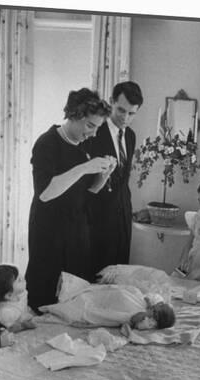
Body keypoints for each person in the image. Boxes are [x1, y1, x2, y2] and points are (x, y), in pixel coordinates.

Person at [25, 88, 116, 313]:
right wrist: (84, 167)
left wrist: (103, 175)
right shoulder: (46, 143)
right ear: (74, 115)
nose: (93, 134)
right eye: (90, 126)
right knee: (45, 298)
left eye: (97, 128)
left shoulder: (84, 145)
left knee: (73, 298)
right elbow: (45, 193)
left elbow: (90, 191)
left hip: (77, 230)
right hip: (49, 232)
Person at [84, 81, 143, 276]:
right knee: (96, 275)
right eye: (121, 110)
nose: (125, 118)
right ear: (111, 103)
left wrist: (128, 212)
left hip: (122, 215)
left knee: (118, 274)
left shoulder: (131, 136)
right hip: (97, 216)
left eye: (132, 113)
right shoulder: (93, 132)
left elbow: (123, 178)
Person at [38, 272, 175, 330]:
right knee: (80, 290)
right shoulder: (149, 300)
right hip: (110, 296)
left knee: (77, 307)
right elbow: (152, 297)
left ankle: (59, 304)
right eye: (158, 308)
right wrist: (151, 304)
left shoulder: (147, 320)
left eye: (157, 314)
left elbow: (136, 322)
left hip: (112, 309)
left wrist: (146, 315)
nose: (155, 311)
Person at [0, 264, 37, 332]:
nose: (23, 277)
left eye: (20, 275)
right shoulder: (5, 313)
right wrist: (24, 325)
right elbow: (9, 329)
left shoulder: (22, 293)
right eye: (19, 280)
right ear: (9, 295)